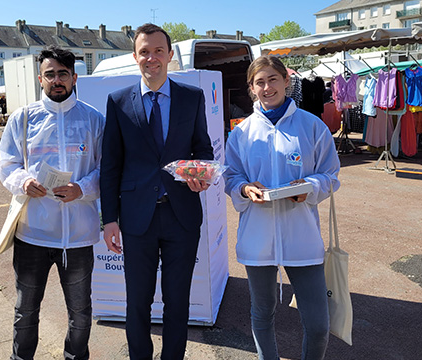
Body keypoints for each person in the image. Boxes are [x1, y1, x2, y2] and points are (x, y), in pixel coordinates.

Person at [100, 23, 214, 360]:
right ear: (135, 57)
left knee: (178, 302)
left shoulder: (191, 98)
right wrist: (110, 220)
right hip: (137, 219)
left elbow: (202, 149)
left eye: (158, 51)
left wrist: (202, 176)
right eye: (145, 51)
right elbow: (111, 166)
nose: (152, 58)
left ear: (169, 55)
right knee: (137, 302)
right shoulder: (118, 102)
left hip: (181, 215)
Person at [223, 55, 341, 360]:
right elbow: (231, 177)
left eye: (273, 79)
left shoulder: (312, 126)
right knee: (262, 315)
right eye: (259, 82)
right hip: (258, 238)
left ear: (286, 81)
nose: (267, 87)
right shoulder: (241, 133)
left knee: (317, 324)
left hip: (302, 237)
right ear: (251, 88)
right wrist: (244, 188)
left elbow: (330, 175)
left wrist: (309, 188)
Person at [0, 45, 104, 360]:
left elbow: (108, 169)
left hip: (78, 236)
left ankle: (75, 356)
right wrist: (22, 181)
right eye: (49, 74)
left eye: (62, 74)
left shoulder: (94, 119)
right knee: (26, 309)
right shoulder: (25, 118)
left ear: (73, 77)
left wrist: (81, 189)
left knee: (81, 311)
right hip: (33, 233)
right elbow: (7, 163)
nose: (56, 80)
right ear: (40, 79)